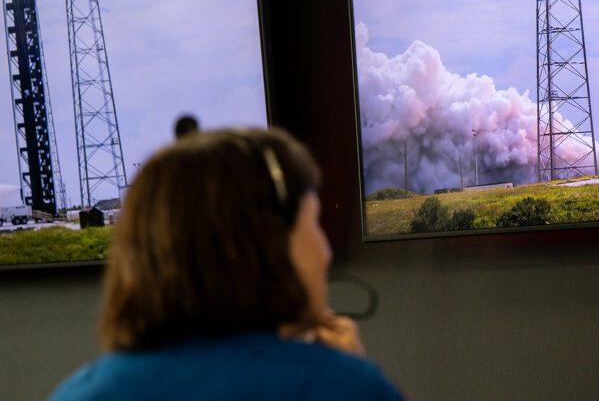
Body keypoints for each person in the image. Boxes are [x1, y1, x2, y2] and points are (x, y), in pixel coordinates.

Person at [50, 127, 405, 400]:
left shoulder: (75, 394)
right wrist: (349, 370)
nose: (325, 251)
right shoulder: (342, 387)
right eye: (313, 223)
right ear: (270, 245)